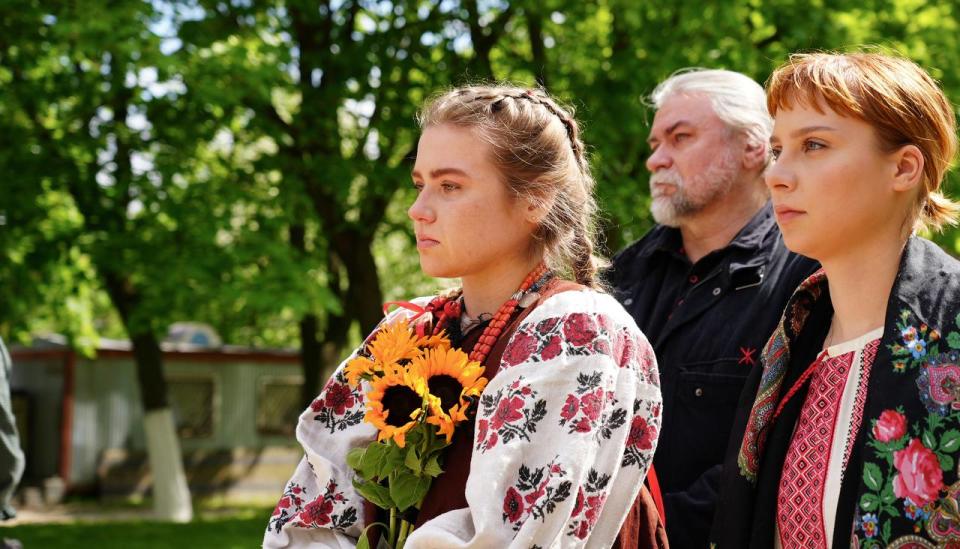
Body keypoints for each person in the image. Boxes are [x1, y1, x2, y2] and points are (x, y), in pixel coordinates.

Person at [264, 85, 662, 548]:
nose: (418, 211)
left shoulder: (575, 329)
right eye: (420, 185)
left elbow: (513, 537)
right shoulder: (408, 329)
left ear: (535, 199)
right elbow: (311, 514)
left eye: (449, 186)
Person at [712, 52, 960, 548]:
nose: (777, 174)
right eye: (778, 149)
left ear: (904, 168)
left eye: (815, 144)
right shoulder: (788, 349)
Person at [606, 69, 817, 548]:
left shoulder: (808, 276)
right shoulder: (620, 276)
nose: (656, 160)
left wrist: (649, 533)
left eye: (680, 138)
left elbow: (786, 447)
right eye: (655, 143)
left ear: (753, 147)